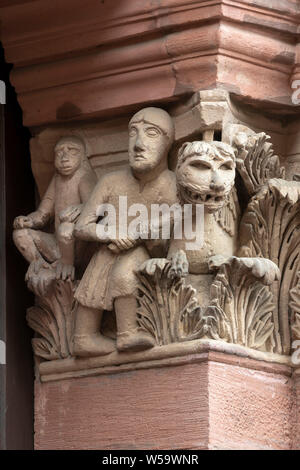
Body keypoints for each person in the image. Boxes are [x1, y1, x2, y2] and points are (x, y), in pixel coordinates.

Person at [73, 107, 177, 356]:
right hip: (107, 250)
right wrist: (110, 233)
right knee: (96, 277)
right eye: (133, 133)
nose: (138, 144)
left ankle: (127, 333)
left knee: (125, 270)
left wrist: (141, 236)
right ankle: (83, 337)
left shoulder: (172, 183)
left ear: (168, 144)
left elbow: (178, 224)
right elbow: (81, 226)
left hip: (145, 253)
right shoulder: (110, 181)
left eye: (151, 133)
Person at [13, 135, 97, 296]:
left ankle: (67, 267)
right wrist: (29, 220)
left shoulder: (85, 176)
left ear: (83, 156)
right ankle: (39, 264)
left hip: (78, 245)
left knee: (67, 227)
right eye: (59, 152)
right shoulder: (57, 179)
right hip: (57, 245)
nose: (64, 157)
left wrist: (79, 210)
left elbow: (94, 207)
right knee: (20, 234)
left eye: (71, 151)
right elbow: (43, 213)